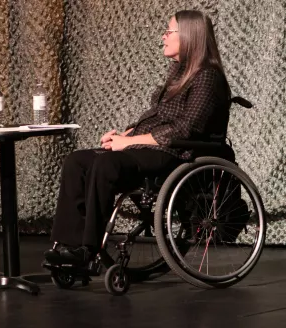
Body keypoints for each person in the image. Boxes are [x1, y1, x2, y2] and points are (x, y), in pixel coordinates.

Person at [44, 10, 232, 265]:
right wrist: (126, 134)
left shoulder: (207, 76)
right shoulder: (178, 73)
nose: (163, 37)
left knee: (106, 164)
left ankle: (88, 250)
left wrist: (128, 143)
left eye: (169, 32)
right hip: (152, 148)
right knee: (77, 161)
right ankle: (67, 243)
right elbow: (158, 118)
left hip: (177, 154)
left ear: (188, 36)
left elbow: (186, 129)